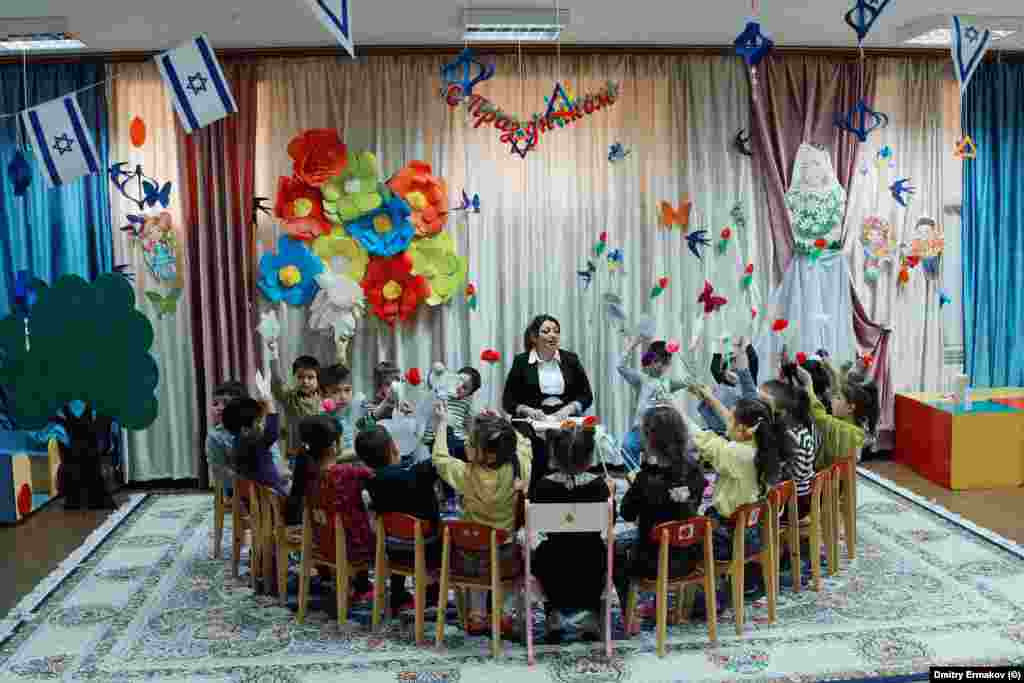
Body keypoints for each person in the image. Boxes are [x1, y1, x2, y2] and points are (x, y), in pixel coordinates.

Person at [432, 405, 532, 635]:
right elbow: (525, 445)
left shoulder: (466, 473)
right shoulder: (519, 471)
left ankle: (476, 615)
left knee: (477, 555)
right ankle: (503, 614)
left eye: (472, 442)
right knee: (507, 561)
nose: (467, 444)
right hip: (505, 554)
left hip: (470, 558)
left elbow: (439, 458)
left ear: (486, 453)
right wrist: (503, 424)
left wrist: (442, 424)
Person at [614, 404, 706, 635]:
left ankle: (629, 616)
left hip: (652, 562)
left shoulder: (646, 479)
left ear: (649, 440)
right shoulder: (694, 468)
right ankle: (682, 609)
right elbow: (691, 503)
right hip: (691, 556)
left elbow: (626, 513)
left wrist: (642, 476)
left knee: (615, 549)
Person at [531, 418, 616, 643]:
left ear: (553, 455)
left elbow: (534, 525)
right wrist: (612, 495)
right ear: (589, 458)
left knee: (538, 552)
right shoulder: (599, 486)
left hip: (553, 565)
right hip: (591, 563)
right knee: (604, 552)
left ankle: (553, 613)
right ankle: (592, 614)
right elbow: (611, 521)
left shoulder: (542, 486)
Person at [681, 394, 782, 564]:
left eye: (730, 420)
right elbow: (730, 426)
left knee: (681, 544)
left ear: (742, 428)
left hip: (729, 539)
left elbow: (704, 440)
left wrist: (677, 411)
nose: (726, 423)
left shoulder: (737, 453)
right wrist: (710, 398)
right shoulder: (764, 447)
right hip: (754, 533)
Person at [503, 314, 594, 492]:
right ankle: (538, 491)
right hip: (534, 417)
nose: (553, 335)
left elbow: (586, 395)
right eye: (546, 331)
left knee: (576, 439)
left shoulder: (571, 359)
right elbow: (508, 401)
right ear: (534, 337)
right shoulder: (521, 362)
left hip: (565, 414)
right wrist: (527, 410)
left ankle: (575, 490)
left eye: (556, 331)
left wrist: (570, 408)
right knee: (536, 447)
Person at [361, 424, 442, 613]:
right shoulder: (416, 473)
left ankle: (398, 594)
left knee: (398, 530)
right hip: (427, 547)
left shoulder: (371, 479)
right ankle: (431, 597)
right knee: (442, 533)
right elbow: (438, 461)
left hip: (393, 548)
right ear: (394, 448)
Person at [616, 336, 689, 468]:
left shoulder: (668, 382)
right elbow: (620, 367)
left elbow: (689, 380)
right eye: (657, 361)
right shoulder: (641, 379)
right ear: (650, 360)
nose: (660, 366)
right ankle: (634, 477)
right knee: (627, 446)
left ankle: (669, 477)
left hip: (664, 431)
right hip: (642, 429)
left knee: (678, 448)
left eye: (665, 362)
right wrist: (631, 345)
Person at [759, 364, 821, 519]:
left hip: (792, 505)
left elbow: (781, 479)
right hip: (804, 498)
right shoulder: (802, 428)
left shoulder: (788, 437)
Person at [794, 364, 872, 470]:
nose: (832, 400)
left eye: (838, 398)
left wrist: (808, 383)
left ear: (850, 408)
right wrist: (834, 371)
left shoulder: (847, 431)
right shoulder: (853, 429)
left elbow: (819, 415)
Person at [223, 394, 289, 496]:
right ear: (244, 429)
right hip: (269, 498)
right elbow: (272, 433)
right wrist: (270, 405)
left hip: (252, 498)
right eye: (258, 422)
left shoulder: (237, 443)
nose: (261, 425)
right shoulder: (254, 443)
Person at [698, 336, 759, 434]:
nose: (733, 362)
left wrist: (745, 346)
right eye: (731, 360)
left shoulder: (748, 384)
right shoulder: (728, 380)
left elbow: (753, 360)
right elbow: (715, 368)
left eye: (734, 359)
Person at [271, 355, 322, 457]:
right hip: (296, 452)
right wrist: (274, 356)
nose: (305, 381)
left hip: (319, 450)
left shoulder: (323, 398)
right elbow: (277, 383)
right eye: (300, 377)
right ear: (293, 377)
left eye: (310, 377)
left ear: (318, 379)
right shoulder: (290, 398)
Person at [206, 381, 248, 497]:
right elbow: (219, 469)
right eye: (215, 404)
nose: (219, 408)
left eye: (225, 403)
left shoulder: (252, 427)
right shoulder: (215, 436)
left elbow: (273, 454)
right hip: (235, 487)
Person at [319, 364, 356, 451]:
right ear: (323, 394)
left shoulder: (349, 415)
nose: (343, 396)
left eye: (347, 390)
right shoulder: (322, 422)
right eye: (335, 392)